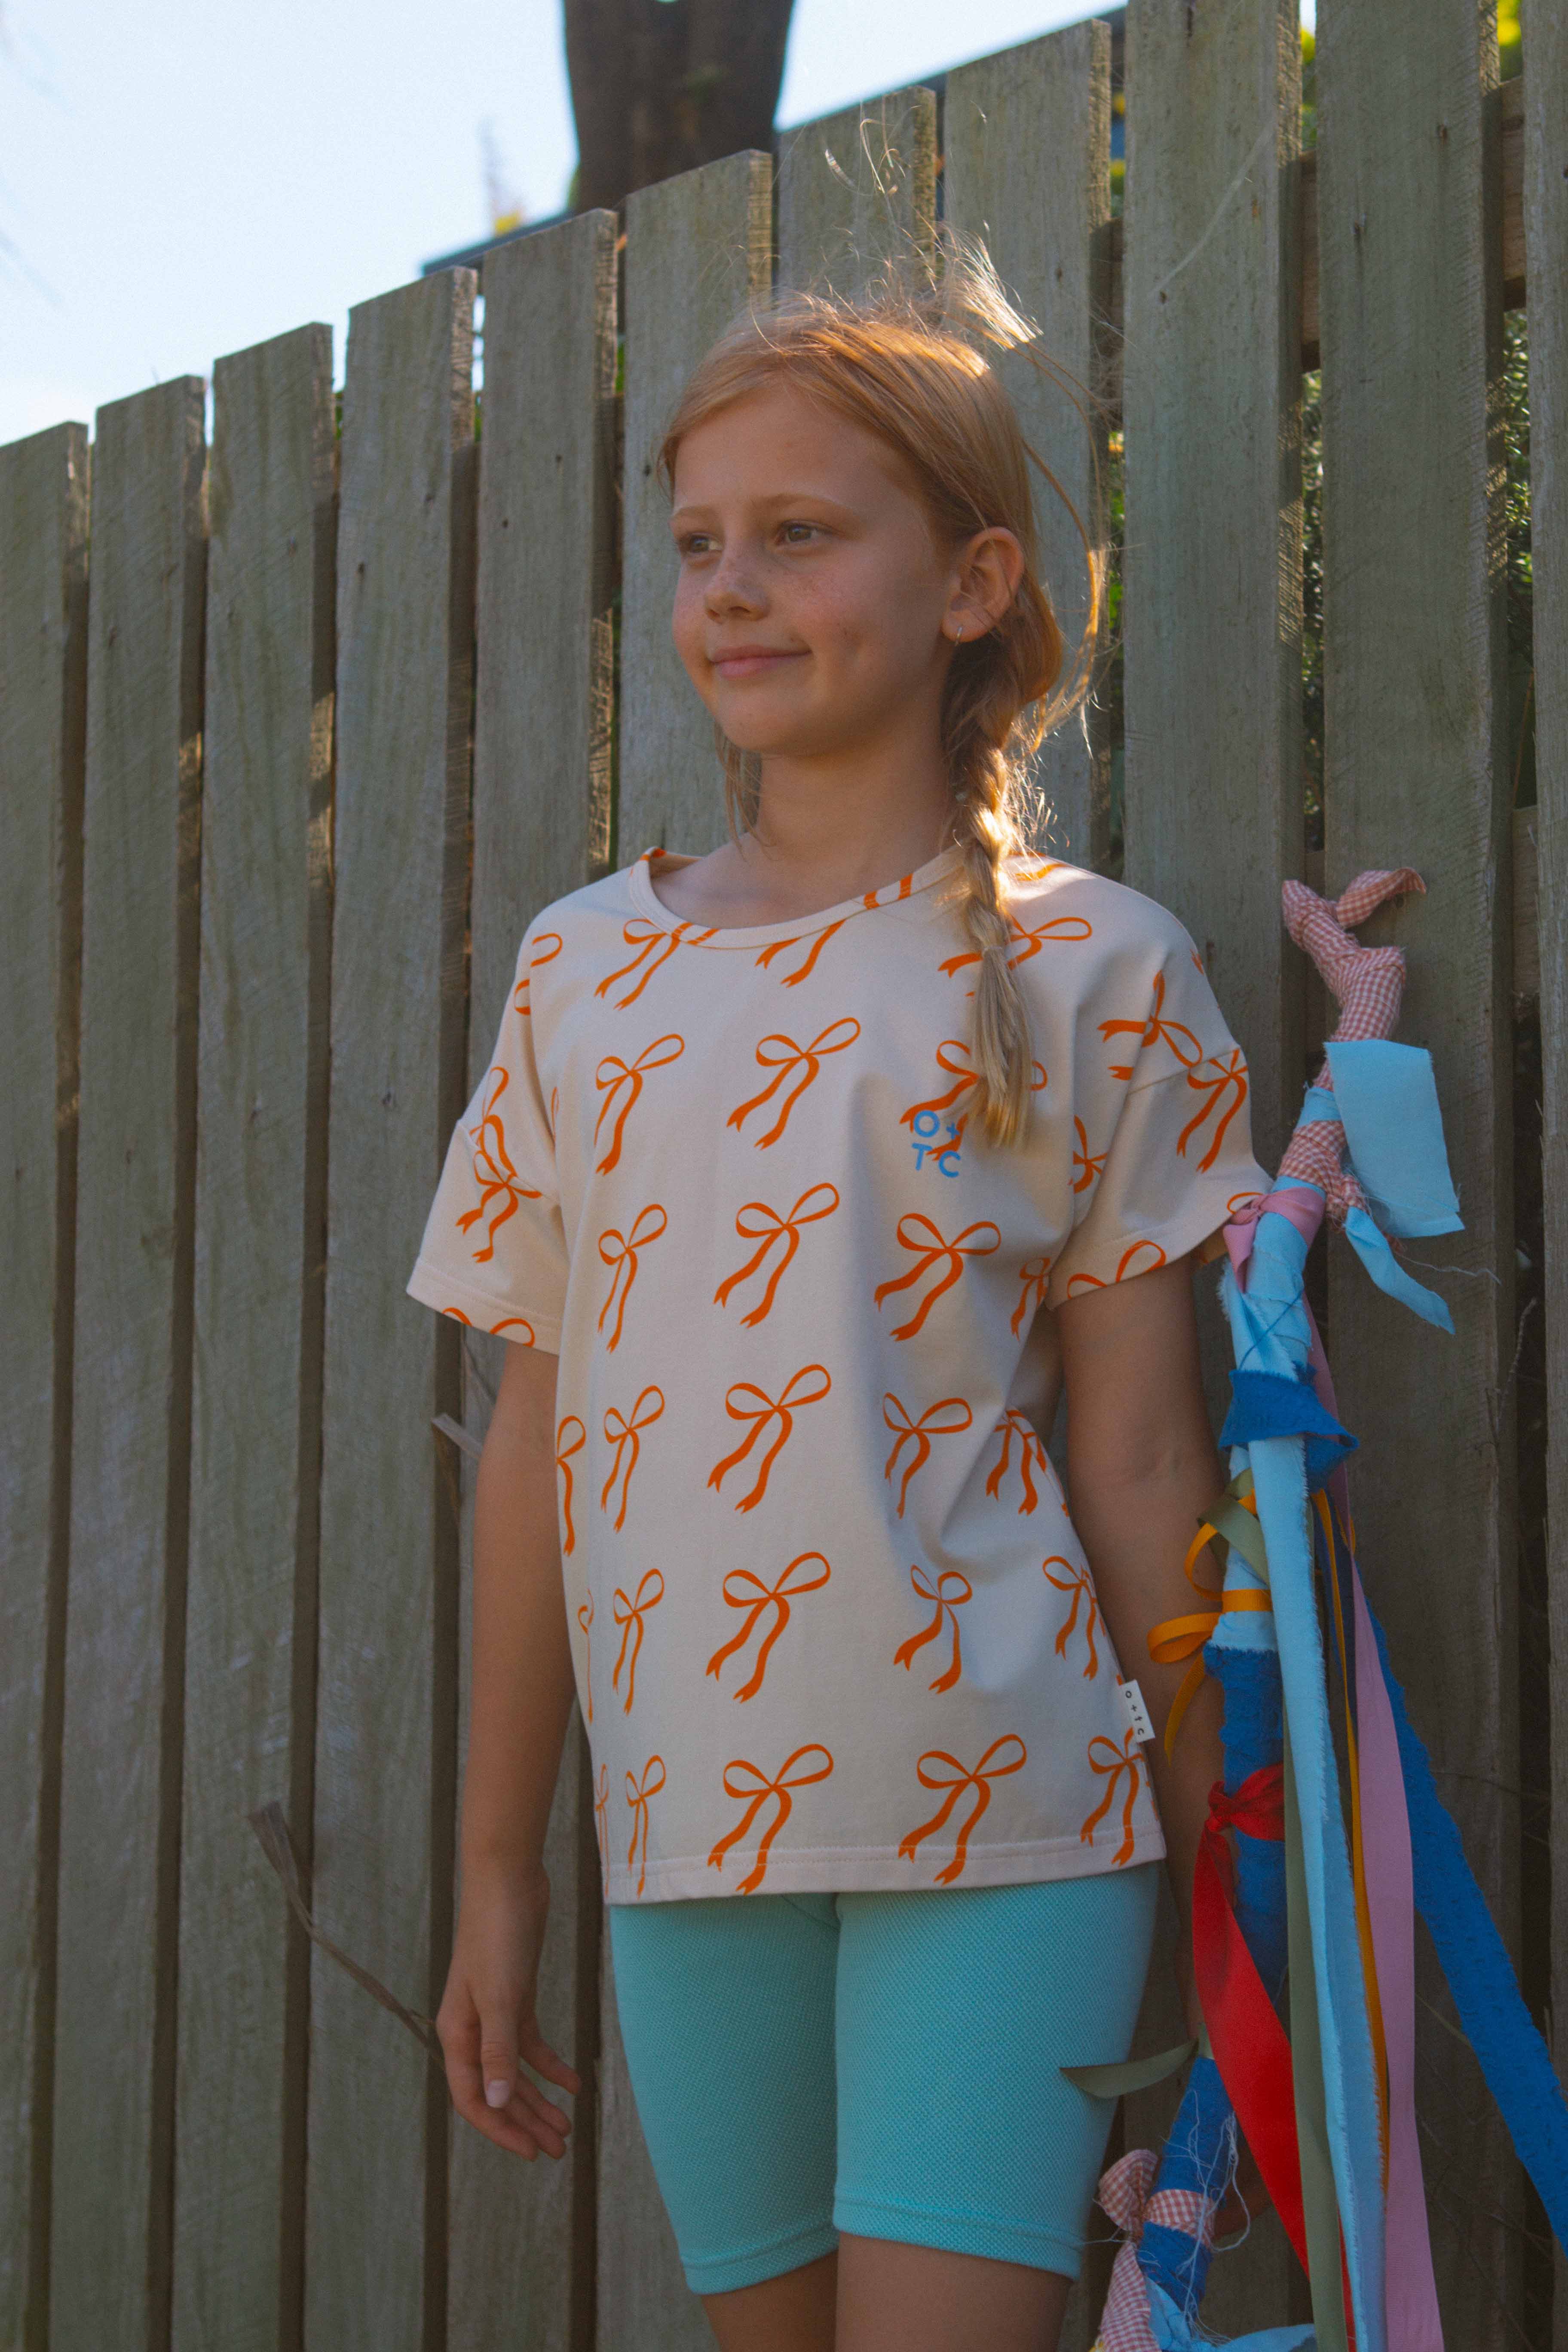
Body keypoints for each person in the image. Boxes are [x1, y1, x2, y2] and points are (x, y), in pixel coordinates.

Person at [405, 242, 1271, 2352]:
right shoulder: (580, 972)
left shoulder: (1100, 968)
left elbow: (1144, 1444)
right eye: (702, 542)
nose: (732, 587)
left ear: (973, 583)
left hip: (1017, 1813)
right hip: (688, 1832)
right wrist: (500, 1860)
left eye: (801, 535)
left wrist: (1218, 1833)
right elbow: (536, 1439)